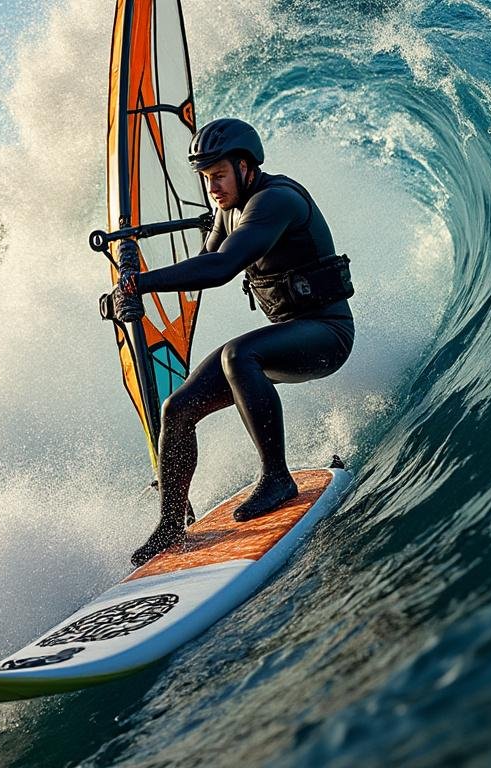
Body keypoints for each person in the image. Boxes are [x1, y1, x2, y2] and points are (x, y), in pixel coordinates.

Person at [110, 118, 356, 567]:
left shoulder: (274, 201)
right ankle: (169, 525)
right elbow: (202, 266)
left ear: (245, 167)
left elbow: (222, 268)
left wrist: (140, 283)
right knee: (177, 409)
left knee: (239, 354)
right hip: (285, 339)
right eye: (205, 180)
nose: (213, 189)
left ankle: (277, 478)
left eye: (219, 176)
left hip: (327, 333)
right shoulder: (229, 211)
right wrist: (132, 281)